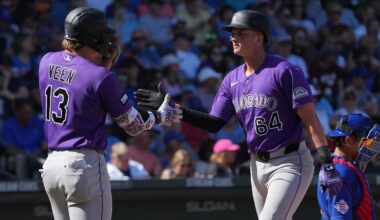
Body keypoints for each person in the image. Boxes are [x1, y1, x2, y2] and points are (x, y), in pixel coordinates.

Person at [135, 9, 342, 219]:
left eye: (241, 33)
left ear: (259, 38)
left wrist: (327, 162)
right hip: (256, 165)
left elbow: (311, 119)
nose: (233, 37)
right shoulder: (231, 79)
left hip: (289, 161)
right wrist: (176, 109)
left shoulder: (285, 71)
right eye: (232, 33)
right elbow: (215, 123)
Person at [38, 7, 181, 220]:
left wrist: (104, 67)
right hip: (82, 165)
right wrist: (160, 116)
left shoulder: (47, 61)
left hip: (51, 166)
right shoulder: (100, 77)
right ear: (92, 37)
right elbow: (134, 127)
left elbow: (80, 81)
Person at [318, 114, 376, 219]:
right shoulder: (341, 173)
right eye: (367, 142)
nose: (369, 147)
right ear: (348, 141)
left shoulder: (341, 167)